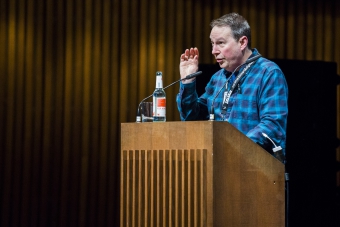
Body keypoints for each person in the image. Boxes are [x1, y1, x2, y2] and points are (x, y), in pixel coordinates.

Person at [176, 12, 288, 157]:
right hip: (220, 166)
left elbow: (273, 126)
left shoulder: (268, 73)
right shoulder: (218, 78)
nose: (213, 51)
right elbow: (192, 119)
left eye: (221, 43)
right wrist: (188, 82)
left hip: (255, 169)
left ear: (242, 42)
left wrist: (232, 148)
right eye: (212, 43)